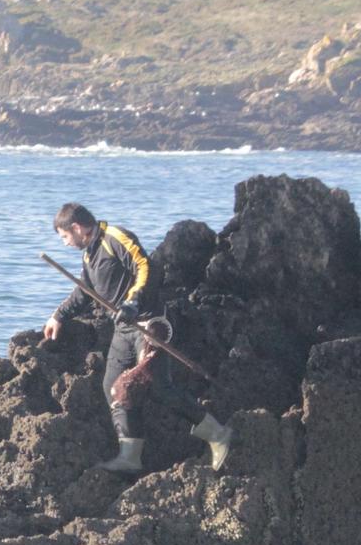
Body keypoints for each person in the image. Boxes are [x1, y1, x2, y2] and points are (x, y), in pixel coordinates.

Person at [42, 202, 232, 473]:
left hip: (150, 323)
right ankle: (130, 456)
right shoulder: (90, 256)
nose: (65, 243)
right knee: (113, 386)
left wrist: (132, 303)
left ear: (77, 228)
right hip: (123, 331)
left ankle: (217, 433)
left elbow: (146, 267)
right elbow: (85, 292)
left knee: (157, 387)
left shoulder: (115, 238)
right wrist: (58, 316)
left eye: (64, 237)